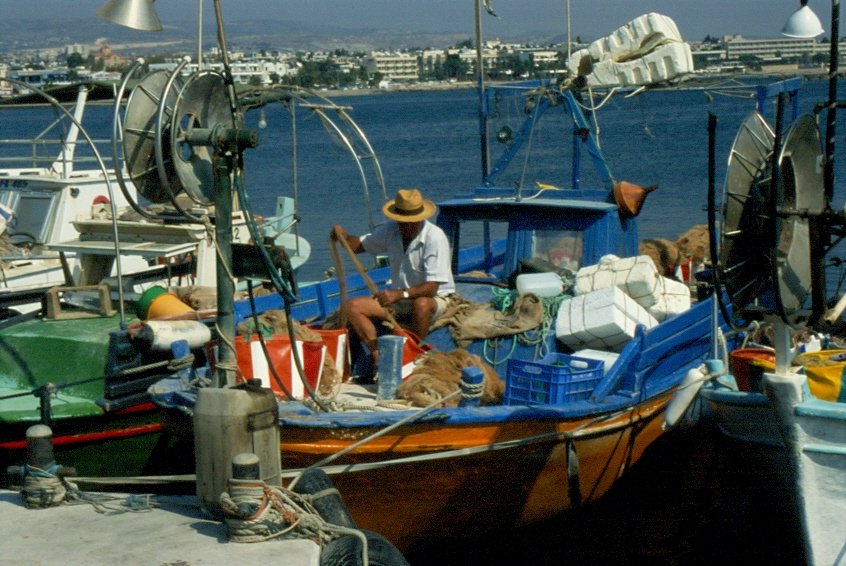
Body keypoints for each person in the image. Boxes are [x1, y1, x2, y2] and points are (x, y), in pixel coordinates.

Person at [330, 188, 455, 370]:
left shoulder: (435, 238)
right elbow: (358, 246)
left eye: (410, 222)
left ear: (420, 218)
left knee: (421, 304)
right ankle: (377, 354)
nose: (405, 226)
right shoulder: (391, 230)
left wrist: (400, 294)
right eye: (402, 222)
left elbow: (432, 287)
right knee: (352, 306)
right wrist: (344, 236)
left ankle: (415, 354)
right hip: (399, 299)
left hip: (435, 299)